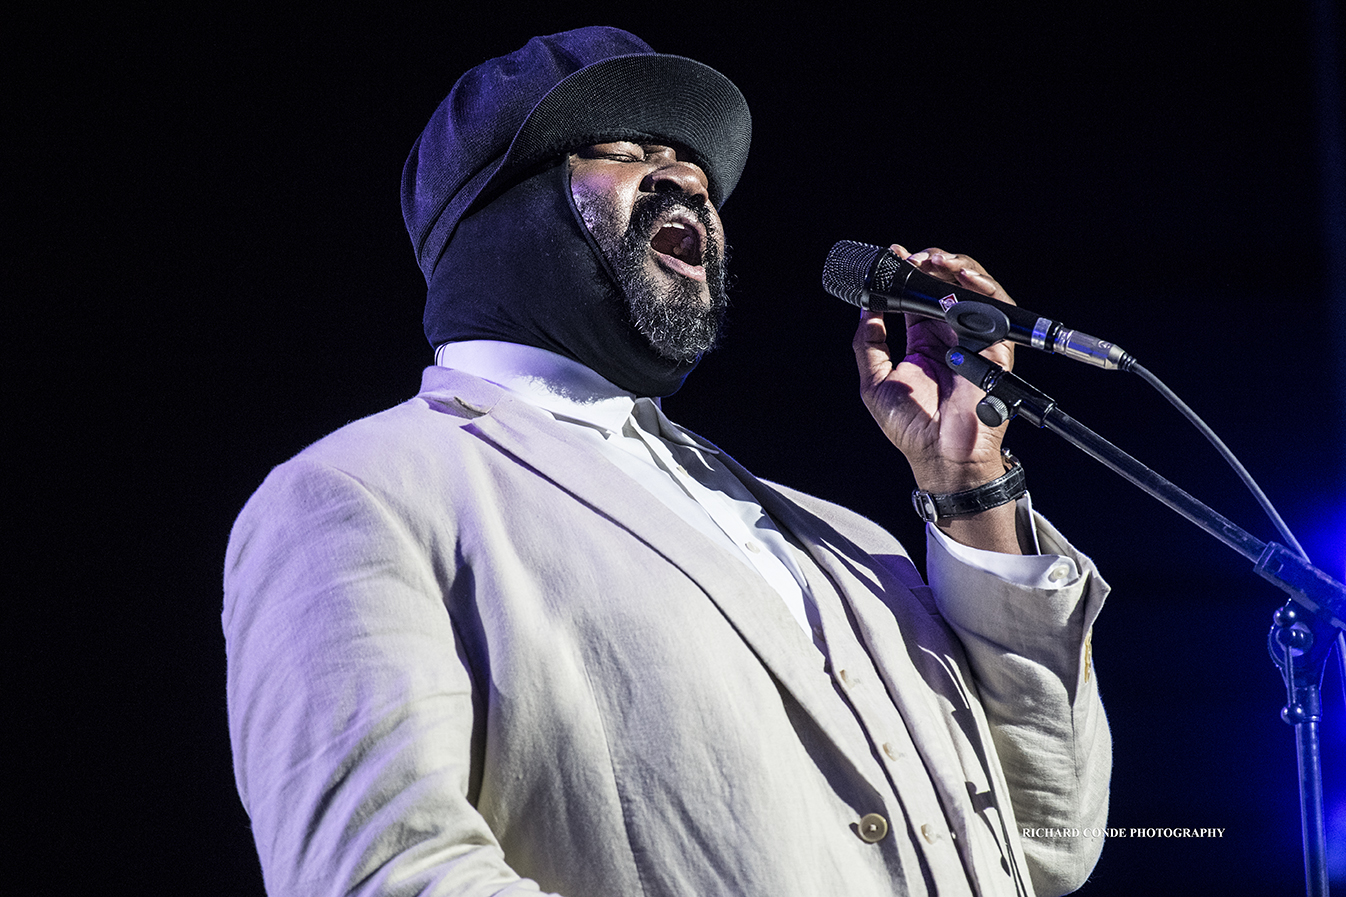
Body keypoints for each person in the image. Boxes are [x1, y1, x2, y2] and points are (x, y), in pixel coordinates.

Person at [223, 26, 1110, 897]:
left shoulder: (845, 541)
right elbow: (386, 872)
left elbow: (1048, 841)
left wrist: (968, 483)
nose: (685, 175)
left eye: (690, 162)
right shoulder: (363, 493)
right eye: (619, 148)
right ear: (492, 217)